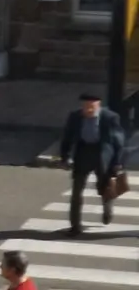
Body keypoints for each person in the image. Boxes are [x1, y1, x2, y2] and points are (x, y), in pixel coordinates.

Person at [60, 93, 127, 235]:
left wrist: (117, 162)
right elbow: (67, 137)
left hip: (103, 155)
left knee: (104, 188)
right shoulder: (75, 117)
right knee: (76, 192)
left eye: (91, 106)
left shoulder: (110, 118)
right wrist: (64, 157)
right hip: (83, 153)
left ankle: (107, 208)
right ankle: (75, 226)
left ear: (98, 105)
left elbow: (119, 142)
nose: (88, 110)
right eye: (85, 106)